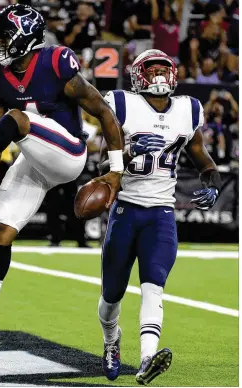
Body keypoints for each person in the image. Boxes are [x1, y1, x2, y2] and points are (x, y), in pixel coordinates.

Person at [0, 3, 124, 357]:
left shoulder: (56, 62)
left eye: (5, 36)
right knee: (0, 232)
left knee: (20, 120)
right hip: (33, 160)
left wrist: (115, 169)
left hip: (68, 155)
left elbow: (104, 112)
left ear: (24, 39)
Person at [99, 49, 221, 385]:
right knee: (111, 296)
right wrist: (126, 151)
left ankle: (147, 360)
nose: (158, 77)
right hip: (125, 209)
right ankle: (111, 342)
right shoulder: (122, 104)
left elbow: (203, 158)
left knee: (154, 285)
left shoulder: (187, 109)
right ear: (138, 76)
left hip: (161, 214)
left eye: (162, 70)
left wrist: (213, 182)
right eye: (151, 70)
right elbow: (99, 163)